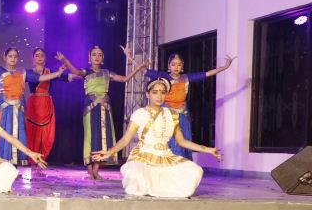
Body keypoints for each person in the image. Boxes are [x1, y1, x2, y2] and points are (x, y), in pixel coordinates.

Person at [92, 78, 221, 198]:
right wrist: (110, 152)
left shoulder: (172, 115)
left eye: (163, 92)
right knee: (135, 174)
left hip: (166, 157)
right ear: (147, 94)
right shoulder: (140, 114)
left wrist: (208, 150)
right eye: (155, 92)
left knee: (194, 171)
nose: (159, 96)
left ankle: (158, 189)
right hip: (143, 156)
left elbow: (182, 141)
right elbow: (126, 139)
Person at [122, 46, 235, 159]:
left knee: (185, 140)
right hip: (167, 115)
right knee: (171, 141)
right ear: (169, 66)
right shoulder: (163, 76)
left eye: (179, 64)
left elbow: (206, 74)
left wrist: (224, 67)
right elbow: (143, 70)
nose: (176, 67)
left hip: (182, 114)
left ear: (182, 66)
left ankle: (184, 163)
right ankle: (170, 162)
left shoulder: (186, 78)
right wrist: (130, 57)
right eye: (173, 64)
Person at [57, 46, 148, 180]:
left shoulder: (107, 73)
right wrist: (65, 60)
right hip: (91, 107)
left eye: (99, 54)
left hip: (105, 107)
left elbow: (124, 79)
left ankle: (96, 170)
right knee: (91, 136)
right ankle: (90, 170)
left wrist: (139, 68)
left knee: (102, 137)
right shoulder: (86, 72)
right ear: (89, 58)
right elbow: (75, 71)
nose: (97, 57)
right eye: (94, 54)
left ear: (103, 58)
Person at [0, 48, 65, 165]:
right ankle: (2, 163)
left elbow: (40, 78)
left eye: (15, 56)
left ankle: (14, 165)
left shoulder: (22, 72)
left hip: (18, 109)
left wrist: (57, 73)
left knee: (18, 134)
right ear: (5, 57)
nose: (13, 59)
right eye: (10, 56)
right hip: (4, 109)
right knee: (3, 134)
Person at [24, 48, 68, 161]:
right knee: (32, 132)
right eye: (37, 55)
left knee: (47, 134)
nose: (39, 57)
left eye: (42, 55)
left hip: (46, 105)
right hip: (34, 105)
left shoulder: (50, 71)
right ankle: (33, 160)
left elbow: (67, 77)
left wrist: (80, 75)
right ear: (33, 59)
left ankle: (42, 159)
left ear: (45, 58)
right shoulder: (28, 73)